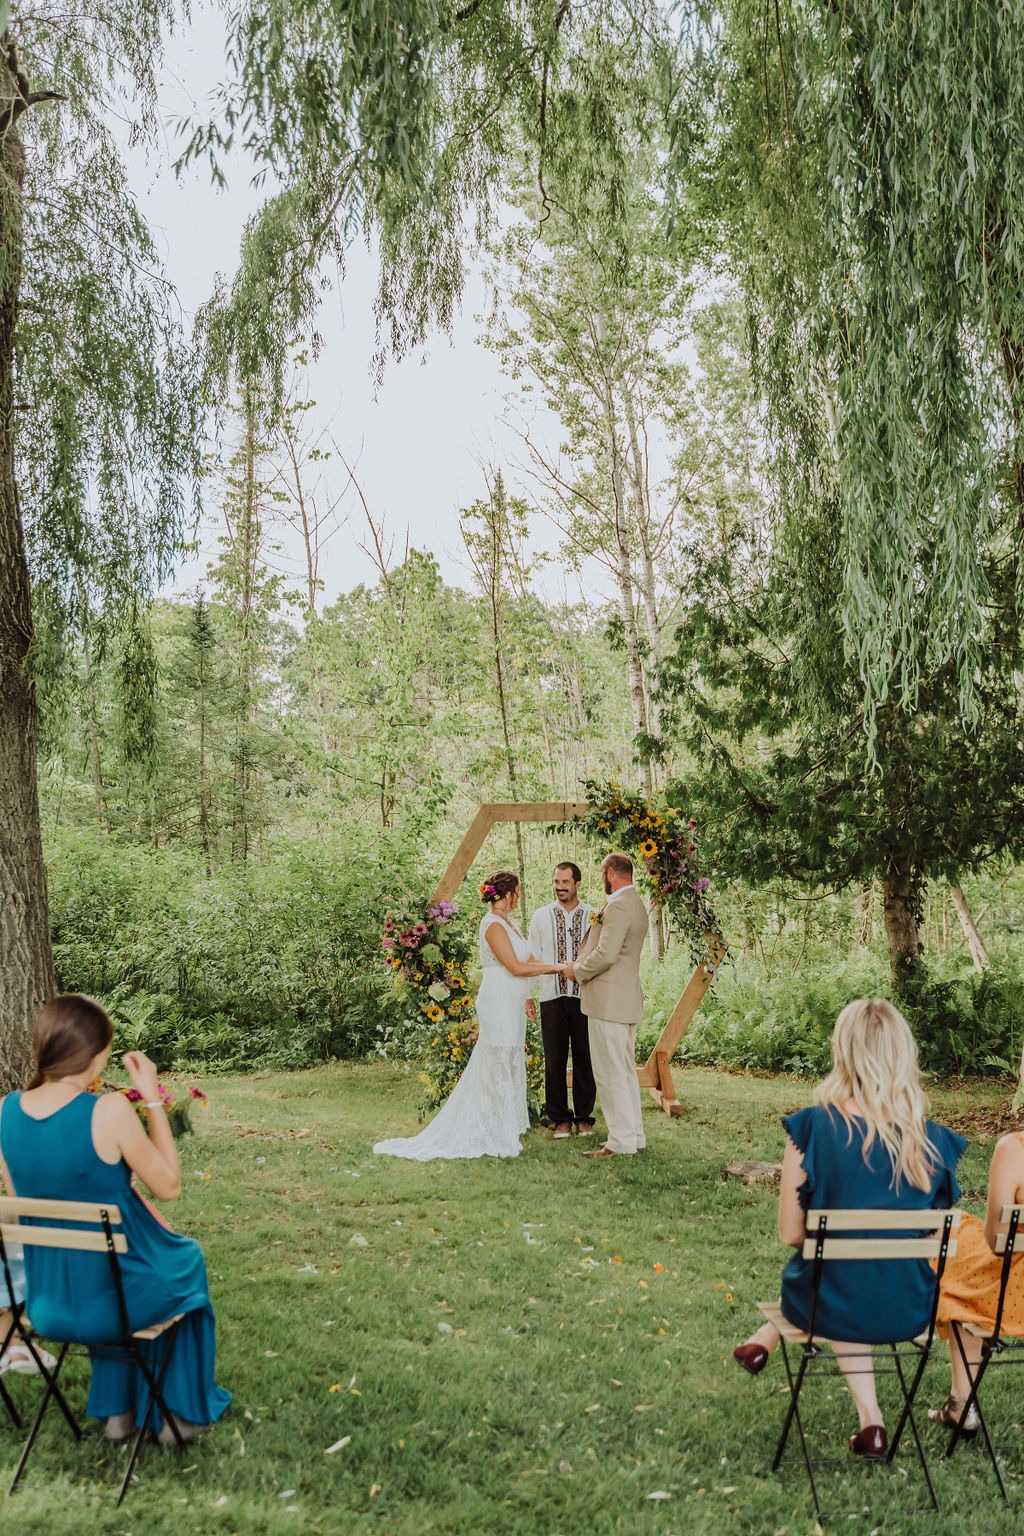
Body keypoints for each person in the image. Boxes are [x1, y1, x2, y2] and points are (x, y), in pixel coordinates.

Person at [732, 998, 965, 1458]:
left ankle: (869, 1419)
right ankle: (864, 1419)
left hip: (833, 1300)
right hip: (909, 1306)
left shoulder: (813, 1129)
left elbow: (791, 1234)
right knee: (846, 1273)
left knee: (834, 1274)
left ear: (843, 1051)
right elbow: (933, 1237)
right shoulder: (934, 1140)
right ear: (903, 1054)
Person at [0, 993, 231, 1444]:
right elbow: (168, 1185)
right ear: (99, 1052)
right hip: (112, 1300)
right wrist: (151, 1100)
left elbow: (22, 1199)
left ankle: (118, 1413)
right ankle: (179, 1417)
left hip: (49, 1308)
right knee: (183, 1263)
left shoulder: (5, 1111)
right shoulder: (107, 1110)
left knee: (117, 1273)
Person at [374, 872, 567, 1160]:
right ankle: (490, 1129)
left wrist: (559, 964)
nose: (520, 895)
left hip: (511, 1002)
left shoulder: (509, 923)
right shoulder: (491, 924)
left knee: (510, 1058)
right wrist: (554, 969)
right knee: (497, 1061)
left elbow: (528, 960)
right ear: (505, 893)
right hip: (498, 1000)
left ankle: (504, 1126)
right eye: (518, 890)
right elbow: (514, 967)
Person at [928, 1109, 1024, 1434]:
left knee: (958, 1276)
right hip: (1008, 1288)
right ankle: (960, 1401)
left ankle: (961, 1403)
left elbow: (997, 1241)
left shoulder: (1014, 1148)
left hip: (1013, 1295)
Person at [564, 852, 648, 1158]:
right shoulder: (636, 903)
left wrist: (577, 972)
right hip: (624, 1001)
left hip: (608, 1003)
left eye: (602, 874)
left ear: (611, 872)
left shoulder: (618, 905)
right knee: (624, 1071)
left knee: (610, 1074)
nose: (602, 880)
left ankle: (619, 1141)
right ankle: (633, 1135)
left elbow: (606, 954)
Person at [527, 862, 596, 1140]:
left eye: (565, 881)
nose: (560, 886)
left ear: (577, 884)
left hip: (585, 996)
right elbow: (531, 957)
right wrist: (527, 995)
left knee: (585, 1057)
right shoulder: (541, 916)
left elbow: (599, 954)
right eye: (556, 881)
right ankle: (560, 1119)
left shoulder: (593, 915)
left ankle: (583, 1118)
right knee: (554, 1058)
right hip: (551, 996)